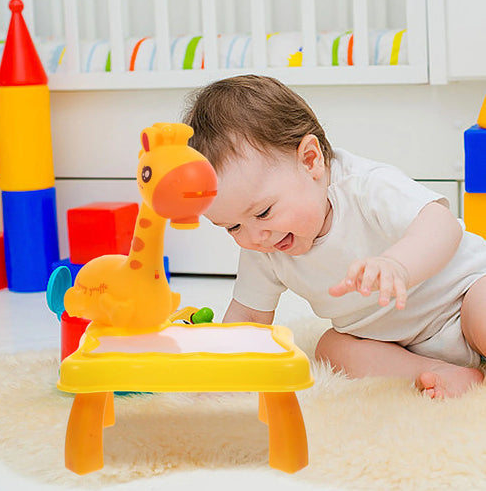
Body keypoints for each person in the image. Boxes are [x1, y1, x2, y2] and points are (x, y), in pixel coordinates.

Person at [183, 74, 486, 399]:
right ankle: (439, 373)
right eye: (233, 227)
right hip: (394, 339)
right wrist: (220, 361)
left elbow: (442, 224)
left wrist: (397, 264)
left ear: (310, 161)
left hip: (461, 297)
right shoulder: (264, 245)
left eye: (263, 212)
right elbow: (249, 315)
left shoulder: (364, 187)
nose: (256, 236)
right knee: (332, 348)